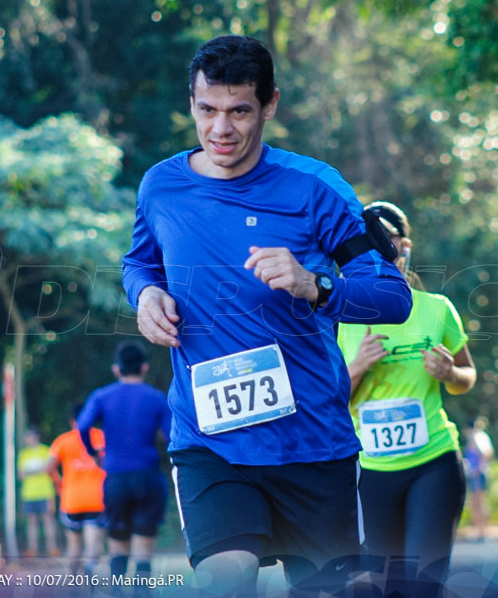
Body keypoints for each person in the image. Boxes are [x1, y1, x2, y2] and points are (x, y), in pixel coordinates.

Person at [121, 35, 412, 596]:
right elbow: (139, 261)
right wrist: (144, 295)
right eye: (207, 110)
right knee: (224, 583)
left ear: (270, 105)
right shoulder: (162, 186)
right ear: (191, 103)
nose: (220, 130)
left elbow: (392, 297)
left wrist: (315, 284)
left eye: (239, 111)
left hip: (312, 443)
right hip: (210, 442)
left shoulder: (316, 189)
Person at [337, 200, 476, 597]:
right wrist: (358, 366)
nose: (381, 249)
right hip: (373, 472)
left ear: (406, 246)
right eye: (369, 242)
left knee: (423, 585)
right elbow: (330, 402)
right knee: (387, 589)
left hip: (433, 462)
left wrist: (450, 372)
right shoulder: (344, 315)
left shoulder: (436, 309)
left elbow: (467, 378)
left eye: (389, 240)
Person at [77, 341, 172, 589]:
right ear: (144, 367)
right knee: (144, 538)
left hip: (115, 478)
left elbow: (84, 426)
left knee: (118, 537)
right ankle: (141, 591)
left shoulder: (101, 396)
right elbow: (172, 435)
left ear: (116, 369)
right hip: (148, 476)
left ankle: (118, 590)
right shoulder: (157, 398)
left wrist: (94, 453)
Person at [48, 405, 108, 574]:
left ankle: (73, 581)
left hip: (71, 500)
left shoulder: (64, 440)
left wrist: (58, 483)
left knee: (74, 545)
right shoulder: (101, 438)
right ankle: (89, 568)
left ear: (71, 420)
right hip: (97, 499)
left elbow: (48, 467)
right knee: (93, 543)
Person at [17, 427, 60, 558]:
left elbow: (48, 469)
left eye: (29, 437)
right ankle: (32, 549)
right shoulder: (24, 454)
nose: (27, 440)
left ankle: (52, 548)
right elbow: (21, 474)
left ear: (36, 437)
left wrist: (31, 472)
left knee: (48, 519)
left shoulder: (46, 451)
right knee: (32, 521)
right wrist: (38, 471)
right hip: (29, 493)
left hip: (45, 492)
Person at [462, 417, 494, 541]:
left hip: (478, 473)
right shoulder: (475, 438)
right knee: (475, 503)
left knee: (479, 502)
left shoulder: (478, 437)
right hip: (473, 473)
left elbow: (487, 453)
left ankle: (482, 531)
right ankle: (479, 530)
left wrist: (480, 466)